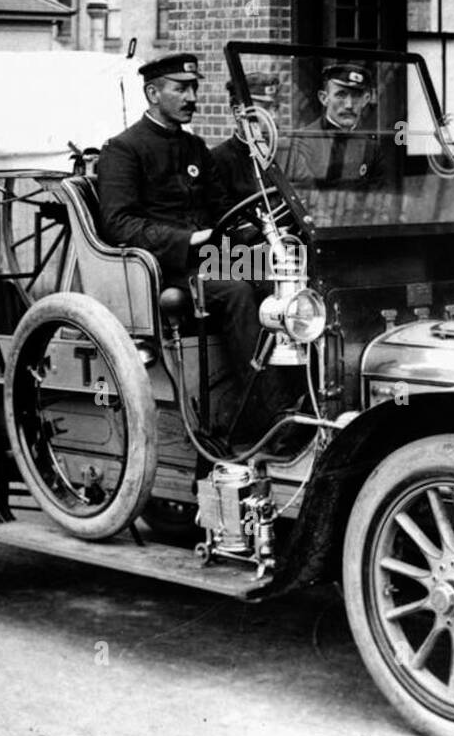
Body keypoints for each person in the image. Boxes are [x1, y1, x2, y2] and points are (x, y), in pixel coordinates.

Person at [97, 53, 288, 447]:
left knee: (284, 283)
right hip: (162, 266)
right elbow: (119, 223)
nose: (192, 97)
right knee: (236, 290)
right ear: (153, 93)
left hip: (212, 259)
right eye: (181, 89)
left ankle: (296, 398)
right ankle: (269, 417)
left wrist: (266, 237)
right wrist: (188, 240)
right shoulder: (123, 149)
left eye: (194, 88)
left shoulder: (195, 147)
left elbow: (223, 210)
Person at [281, 62, 387, 187]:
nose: (349, 105)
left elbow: (379, 194)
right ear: (324, 98)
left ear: (365, 100)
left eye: (356, 96)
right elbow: (301, 193)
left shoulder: (371, 148)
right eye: (341, 95)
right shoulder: (302, 143)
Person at [212, 72, 280, 205]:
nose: (274, 117)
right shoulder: (217, 161)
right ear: (238, 112)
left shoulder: (282, 155)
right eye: (265, 109)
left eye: (276, 108)